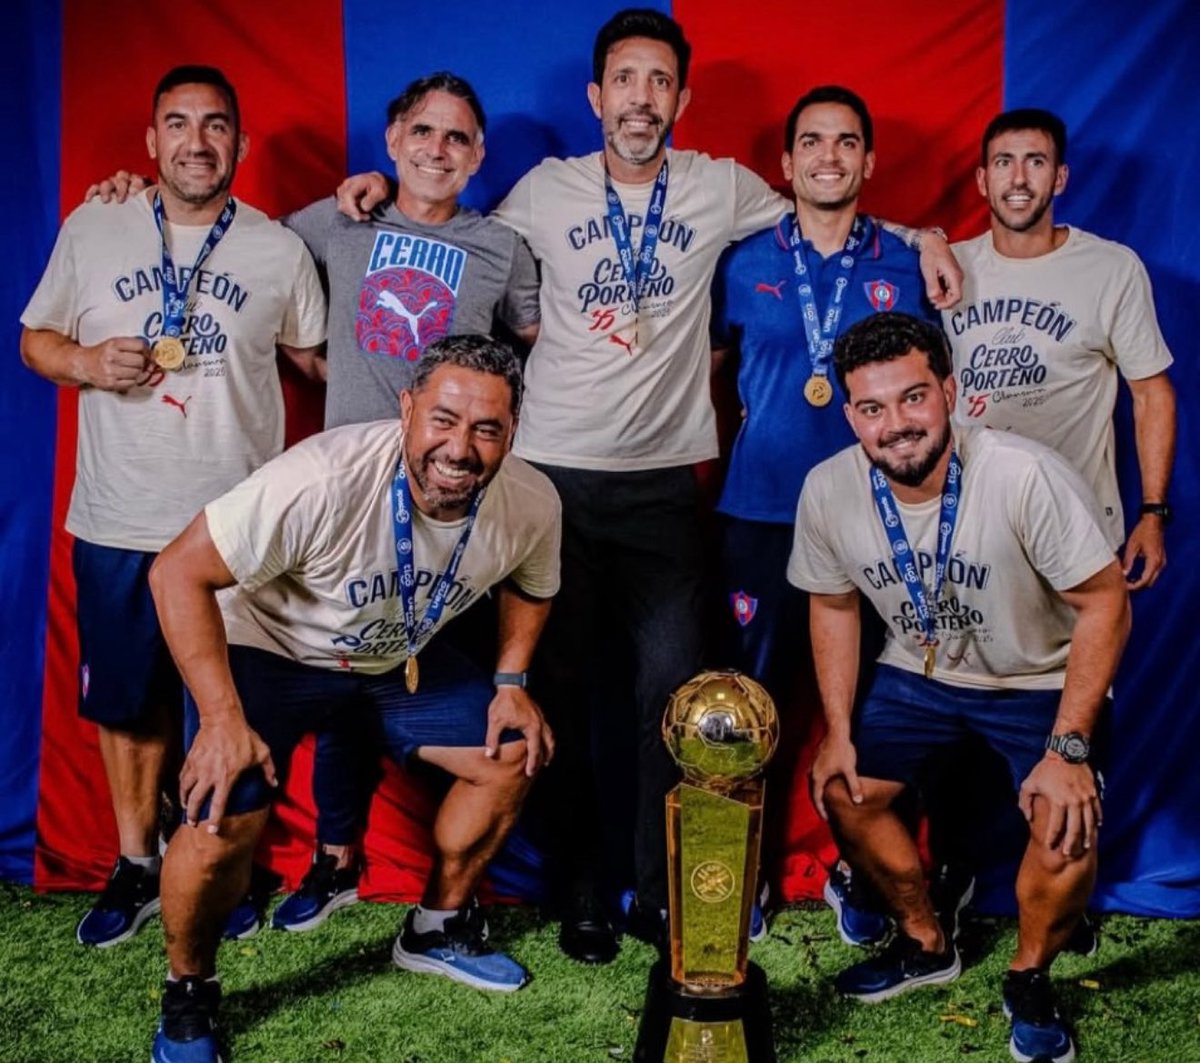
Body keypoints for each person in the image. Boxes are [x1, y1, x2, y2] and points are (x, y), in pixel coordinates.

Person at [335, 9, 962, 965]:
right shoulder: (543, 189)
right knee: (567, 693)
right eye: (624, 79)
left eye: (659, 80)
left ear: (682, 97)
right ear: (597, 97)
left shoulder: (722, 188)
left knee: (670, 697)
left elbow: (825, 216)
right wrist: (379, 193)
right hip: (552, 484)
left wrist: (923, 236)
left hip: (668, 489)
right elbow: (455, 229)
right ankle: (583, 889)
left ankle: (659, 885)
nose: (640, 97)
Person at [91, 71, 542, 935]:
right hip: (341, 494)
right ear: (391, 141)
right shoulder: (335, 221)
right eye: (423, 133)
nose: (438, 151)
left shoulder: (503, 246)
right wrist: (132, 191)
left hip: (447, 503)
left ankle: (381, 875)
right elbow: (220, 235)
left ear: (479, 155)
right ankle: (322, 860)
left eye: (458, 139)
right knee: (331, 659)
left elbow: (526, 341)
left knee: (397, 663)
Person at [144, 334, 560, 1063]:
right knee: (217, 808)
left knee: (511, 753)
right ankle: (189, 989)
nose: (460, 449)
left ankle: (437, 927)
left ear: (512, 433)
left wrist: (511, 679)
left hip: (394, 659)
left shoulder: (531, 501)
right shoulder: (320, 478)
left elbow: (534, 583)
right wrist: (220, 719)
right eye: (443, 419)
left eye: (487, 429)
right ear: (406, 410)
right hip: (273, 651)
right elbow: (176, 572)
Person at [19, 65, 326, 950]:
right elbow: (34, 339)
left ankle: (221, 862)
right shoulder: (95, 223)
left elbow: (321, 366)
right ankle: (137, 862)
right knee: (127, 708)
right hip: (116, 517)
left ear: (240, 140)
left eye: (217, 125)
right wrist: (82, 363)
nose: (198, 141)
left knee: (227, 707)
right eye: (179, 125)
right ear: (151, 142)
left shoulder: (276, 249)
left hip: (233, 530)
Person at [789, 312, 1130, 1063]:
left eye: (913, 399)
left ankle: (1030, 974)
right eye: (872, 409)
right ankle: (924, 939)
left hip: (1039, 675)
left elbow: (1106, 601)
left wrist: (1069, 746)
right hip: (924, 671)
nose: (896, 425)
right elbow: (834, 602)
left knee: (1062, 815)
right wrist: (839, 730)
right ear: (850, 415)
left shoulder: (1021, 473)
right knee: (846, 787)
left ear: (950, 391)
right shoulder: (827, 490)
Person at [710, 85, 942, 949]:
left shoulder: (913, 262)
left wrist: (936, 237)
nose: (830, 156)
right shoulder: (740, 260)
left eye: (848, 142)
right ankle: (741, 878)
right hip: (759, 514)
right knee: (753, 706)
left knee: (889, 704)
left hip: (881, 520)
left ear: (869, 161)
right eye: (813, 142)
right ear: (786, 164)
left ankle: (866, 872)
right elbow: (709, 371)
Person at [946, 107, 1175, 588]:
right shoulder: (950, 267)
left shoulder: (1111, 269)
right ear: (984, 180)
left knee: (1081, 660)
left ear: (1061, 177)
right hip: (974, 520)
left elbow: (1152, 395)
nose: (1020, 178)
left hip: (1080, 521)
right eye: (1004, 162)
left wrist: (1153, 512)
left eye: (1036, 161)